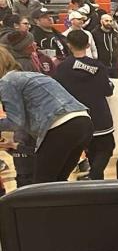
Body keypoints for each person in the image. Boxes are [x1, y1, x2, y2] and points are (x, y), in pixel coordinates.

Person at [0, 47, 91, 183]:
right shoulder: (30, 76)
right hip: (83, 122)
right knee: (58, 182)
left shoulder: (7, 81)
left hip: (61, 125)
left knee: (43, 184)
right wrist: (15, 146)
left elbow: (15, 122)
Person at [52, 29, 115, 180]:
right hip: (99, 115)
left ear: (69, 45)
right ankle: (94, 176)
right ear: (88, 45)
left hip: (75, 117)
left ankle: (94, 181)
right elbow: (107, 91)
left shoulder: (62, 68)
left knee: (89, 150)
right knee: (106, 148)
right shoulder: (98, 66)